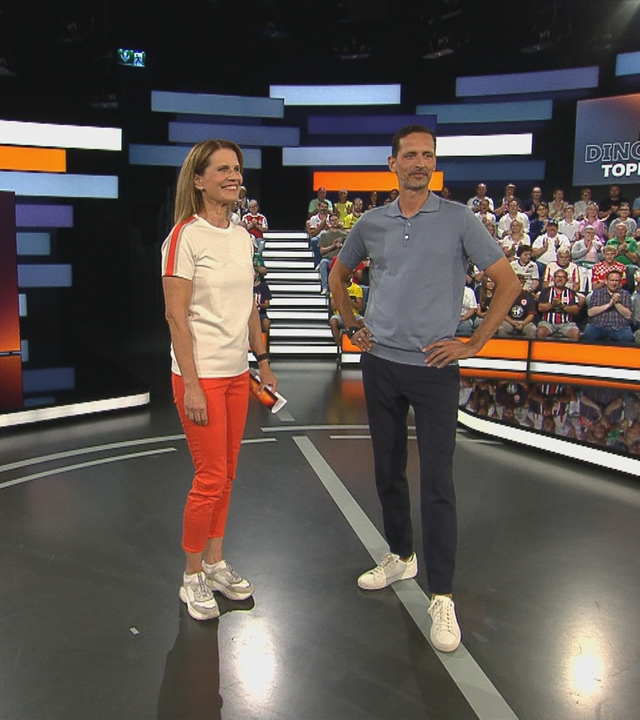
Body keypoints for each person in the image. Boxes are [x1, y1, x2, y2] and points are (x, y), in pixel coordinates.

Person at [329, 124, 520, 654]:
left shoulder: (459, 219)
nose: (420, 163)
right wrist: (351, 324)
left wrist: (474, 342)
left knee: (437, 482)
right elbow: (338, 276)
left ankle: (442, 595)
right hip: (381, 364)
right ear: (391, 164)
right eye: (410, 155)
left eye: (428, 156)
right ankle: (400, 555)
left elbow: (508, 282)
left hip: (435, 367)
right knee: (387, 471)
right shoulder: (372, 222)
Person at [161, 139, 277, 621]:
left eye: (237, 169)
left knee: (227, 475)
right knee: (209, 477)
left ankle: (214, 563)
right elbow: (175, 316)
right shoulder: (183, 238)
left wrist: (262, 359)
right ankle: (192, 576)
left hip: (235, 374)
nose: (234, 176)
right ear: (199, 179)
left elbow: (248, 305)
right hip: (201, 375)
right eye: (223, 169)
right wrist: (191, 384)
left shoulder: (242, 237)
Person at [583, 269, 634, 343]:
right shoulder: (597, 293)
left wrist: (616, 303)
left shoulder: (625, 294)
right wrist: (609, 304)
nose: (614, 283)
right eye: (612, 280)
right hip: (598, 326)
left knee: (628, 337)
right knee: (588, 334)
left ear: (620, 282)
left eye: (617, 281)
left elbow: (628, 315)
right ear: (606, 281)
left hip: (619, 327)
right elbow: (590, 312)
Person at [536, 269, 581, 341]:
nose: (560, 279)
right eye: (558, 276)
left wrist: (562, 306)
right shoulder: (546, 291)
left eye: (563, 277)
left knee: (575, 333)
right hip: (548, 323)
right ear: (553, 278)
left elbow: (576, 310)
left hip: (567, 324)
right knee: (541, 332)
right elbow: (540, 307)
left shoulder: (571, 293)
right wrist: (552, 304)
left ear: (567, 280)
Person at [317, 212, 347, 294]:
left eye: (336, 220)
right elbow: (321, 251)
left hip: (339, 259)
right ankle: (325, 287)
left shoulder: (344, 235)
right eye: (332, 220)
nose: (334, 222)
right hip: (328, 259)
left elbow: (348, 249)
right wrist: (333, 246)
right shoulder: (324, 235)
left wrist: (341, 246)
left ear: (338, 221)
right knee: (323, 263)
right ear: (330, 222)